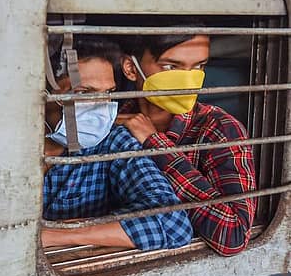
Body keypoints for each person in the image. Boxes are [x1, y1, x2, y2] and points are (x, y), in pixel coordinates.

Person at [42, 37, 193, 250]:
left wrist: (53, 235)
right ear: (43, 93)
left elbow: (173, 226)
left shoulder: (114, 142)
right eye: (83, 92)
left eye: (108, 93)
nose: (101, 106)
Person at [117, 31, 257, 255]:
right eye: (171, 67)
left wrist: (155, 144)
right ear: (131, 68)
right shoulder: (112, 121)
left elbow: (233, 236)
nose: (188, 79)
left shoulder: (219, 128)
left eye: (199, 66)